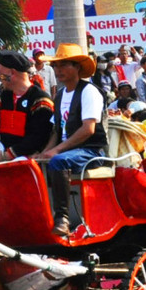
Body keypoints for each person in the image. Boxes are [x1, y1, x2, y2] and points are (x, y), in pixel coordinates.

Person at [38, 44, 108, 237]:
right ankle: (42, 216)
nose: (58, 70)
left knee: (58, 161)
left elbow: (88, 129)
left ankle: (63, 218)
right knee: (34, 164)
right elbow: (57, 130)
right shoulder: (60, 95)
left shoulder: (89, 91)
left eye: (63, 65)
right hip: (67, 151)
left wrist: (57, 151)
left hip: (91, 151)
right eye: (56, 66)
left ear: (77, 67)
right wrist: (44, 152)